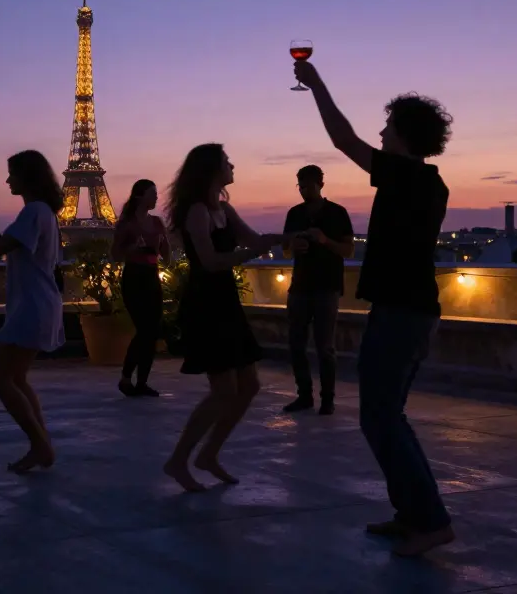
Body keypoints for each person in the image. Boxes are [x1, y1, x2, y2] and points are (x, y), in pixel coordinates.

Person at [294, 61, 455, 557]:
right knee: (384, 415)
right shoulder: (428, 182)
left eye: (387, 127)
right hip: (405, 308)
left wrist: (316, 83)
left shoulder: (406, 176)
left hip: (402, 312)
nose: (380, 133)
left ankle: (429, 520)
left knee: (382, 416)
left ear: (403, 135)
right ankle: (412, 514)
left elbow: (343, 139)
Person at [161, 144, 283, 492]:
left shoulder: (223, 209)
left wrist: (288, 238)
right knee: (224, 390)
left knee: (249, 386)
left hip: (224, 302)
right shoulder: (197, 212)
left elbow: (256, 241)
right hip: (206, 304)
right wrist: (250, 251)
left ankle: (208, 454)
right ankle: (180, 460)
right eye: (227, 161)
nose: (232, 166)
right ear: (213, 169)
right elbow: (211, 261)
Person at [0, 150, 66, 474]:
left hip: (31, 306)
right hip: (40, 304)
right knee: (16, 378)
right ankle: (40, 444)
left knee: (0, 378)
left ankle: (40, 445)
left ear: (27, 177)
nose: (8, 180)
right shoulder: (44, 212)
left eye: (12, 174)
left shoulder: (33, 213)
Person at [282, 165, 354, 415]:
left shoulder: (337, 213)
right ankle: (304, 396)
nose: (303, 191)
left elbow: (348, 250)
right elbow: (285, 248)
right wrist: (294, 246)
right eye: (300, 186)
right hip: (300, 286)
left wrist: (325, 241)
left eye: (308, 186)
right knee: (296, 343)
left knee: (325, 346)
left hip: (327, 287)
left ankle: (327, 399)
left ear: (321, 185)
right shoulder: (294, 214)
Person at [111, 179, 171, 398]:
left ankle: (140, 381)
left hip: (151, 277)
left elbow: (166, 254)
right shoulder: (127, 224)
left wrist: (165, 245)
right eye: (152, 193)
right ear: (140, 196)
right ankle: (127, 378)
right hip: (134, 277)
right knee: (145, 329)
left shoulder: (157, 223)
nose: (156, 197)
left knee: (151, 331)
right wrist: (132, 248)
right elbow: (115, 254)